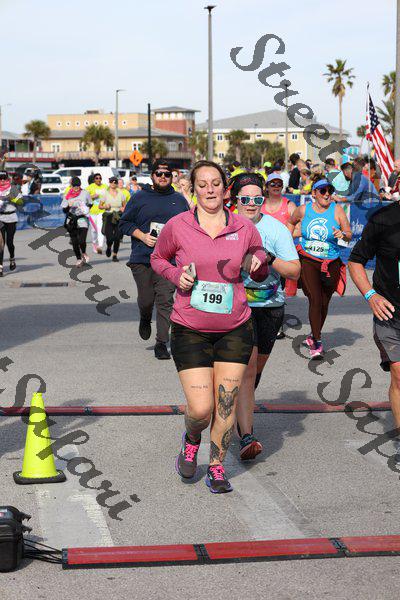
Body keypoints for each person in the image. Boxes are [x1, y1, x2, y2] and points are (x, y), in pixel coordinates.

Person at [151, 160, 268, 493]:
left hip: (235, 327)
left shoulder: (244, 227)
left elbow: (260, 262)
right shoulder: (178, 226)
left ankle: (216, 466)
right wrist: (176, 275)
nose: (210, 190)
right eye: (202, 184)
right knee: (202, 409)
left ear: (225, 188)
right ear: (193, 189)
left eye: (216, 183)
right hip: (190, 327)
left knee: (226, 404)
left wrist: (258, 261)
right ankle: (191, 438)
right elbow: (158, 258)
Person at [230, 173, 300, 459]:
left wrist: (270, 258)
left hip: (270, 308)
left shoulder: (275, 228)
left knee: (254, 373)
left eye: (257, 199)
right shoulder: (224, 226)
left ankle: (237, 408)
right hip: (236, 307)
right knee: (246, 369)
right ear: (235, 200)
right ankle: (246, 435)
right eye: (245, 199)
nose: (251, 203)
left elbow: (294, 271)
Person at [119, 159, 189, 360]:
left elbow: (189, 228)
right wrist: (142, 236)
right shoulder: (139, 197)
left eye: (167, 174)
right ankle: (144, 316)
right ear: (152, 176)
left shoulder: (179, 200)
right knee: (146, 299)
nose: (163, 177)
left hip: (169, 261)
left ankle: (161, 342)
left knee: (165, 300)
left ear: (172, 177)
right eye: (159, 173)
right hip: (143, 258)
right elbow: (124, 224)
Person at [348, 200, 400, 449]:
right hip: (391, 313)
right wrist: (371, 296)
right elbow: (355, 260)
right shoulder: (383, 219)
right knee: (399, 374)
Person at [288, 179, 352, 358]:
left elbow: (348, 235)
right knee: (315, 299)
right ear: (314, 193)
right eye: (322, 191)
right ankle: (317, 341)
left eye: (330, 190)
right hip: (308, 260)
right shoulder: (303, 210)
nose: (327, 194)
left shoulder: (337, 210)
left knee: (324, 302)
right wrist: (287, 242)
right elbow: (290, 222)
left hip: (331, 262)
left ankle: (313, 335)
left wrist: (342, 235)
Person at [61, 176, 91, 267]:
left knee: (82, 240)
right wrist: (68, 206)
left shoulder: (85, 193)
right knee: (74, 241)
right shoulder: (67, 195)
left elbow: (90, 203)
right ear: (71, 186)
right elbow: (64, 210)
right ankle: (78, 259)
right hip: (72, 220)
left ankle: (84, 252)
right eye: (74, 186)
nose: (76, 187)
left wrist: (86, 208)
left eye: (78, 185)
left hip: (82, 218)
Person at [0, 171, 23, 276]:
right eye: (0, 178)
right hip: (0, 217)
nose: (2, 180)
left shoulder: (13, 188)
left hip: (11, 217)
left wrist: (11, 198)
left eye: (4, 178)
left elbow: (21, 202)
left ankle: (12, 258)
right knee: (1, 243)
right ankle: (0, 267)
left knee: (9, 242)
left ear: (7, 179)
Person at [99, 177, 127, 262]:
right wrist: (105, 206)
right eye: (111, 182)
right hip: (109, 216)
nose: (113, 183)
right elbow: (100, 206)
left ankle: (115, 255)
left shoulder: (121, 193)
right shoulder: (105, 193)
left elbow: (125, 205)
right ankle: (108, 246)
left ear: (117, 184)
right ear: (109, 183)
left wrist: (123, 208)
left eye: (115, 182)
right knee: (110, 237)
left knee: (117, 237)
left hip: (118, 216)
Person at [87, 173, 108, 254]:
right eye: (97, 178)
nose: (98, 179)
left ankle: (100, 246)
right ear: (94, 179)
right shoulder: (90, 187)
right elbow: (85, 197)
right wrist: (92, 196)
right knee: (93, 230)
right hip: (92, 212)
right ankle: (94, 243)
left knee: (100, 228)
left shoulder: (105, 186)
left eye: (100, 178)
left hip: (101, 211)